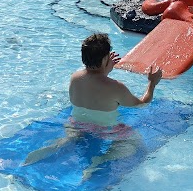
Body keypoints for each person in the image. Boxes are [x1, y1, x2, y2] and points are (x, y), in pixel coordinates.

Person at [23, 33, 163, 179]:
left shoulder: (75, 77)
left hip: (76, 125)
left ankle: (45, 152)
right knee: (136, 145)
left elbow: (95, 83)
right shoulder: (116, 87)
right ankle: (100, 160)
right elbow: (142, 104)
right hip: (106, 130)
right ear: (104, 59)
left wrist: (104, 70)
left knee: (63, 142)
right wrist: (152, 83)